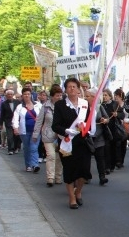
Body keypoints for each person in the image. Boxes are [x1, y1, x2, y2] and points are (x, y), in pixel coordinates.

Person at [52, 77, 93, 209]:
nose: (72, 89)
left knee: (84, 171)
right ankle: (71, 198)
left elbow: (89, 122)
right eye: (69, 87)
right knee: (69, 170)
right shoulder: (60, 105)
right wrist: (66, 131)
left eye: (74, 86)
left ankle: (78, 191)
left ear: (78, 88)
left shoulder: (85, 104)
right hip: (67, 142)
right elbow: (55, 125)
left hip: (82, 141)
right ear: (66, 90)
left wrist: (85, 127)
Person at [36, 84, 63, 188]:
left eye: (61, 95)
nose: (59, 97)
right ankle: (50, 178)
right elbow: (39, 121)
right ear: (52, 96)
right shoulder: (46, 106)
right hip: (48, 134)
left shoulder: (64, 106)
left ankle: (58, 176)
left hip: (60, 135)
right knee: (51, 155)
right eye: (57, 95)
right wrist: (35, 134)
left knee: (60, 157)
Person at [13, 88, 40, 173]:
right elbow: (16, 118)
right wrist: (16, 128)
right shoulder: (20, 107)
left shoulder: (38, 105)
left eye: (28, 94)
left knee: (33, 148)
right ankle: (28, 165)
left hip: (36, 131)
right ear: (22, 96)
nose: (27, 95)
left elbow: (43, 116)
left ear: (31, 95)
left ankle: (35, 165)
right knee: (27, 148)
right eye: (25, 94)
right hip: (24, 131)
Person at [0, 89, 20, 155]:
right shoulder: (4, 104)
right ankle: (10, 149)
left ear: (13, 95)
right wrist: (1, 123)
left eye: (11, 94)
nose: (10, 96)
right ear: (6, 95)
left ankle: (16, 147)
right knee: (9, 136)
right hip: (8, 122)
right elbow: (2, 114)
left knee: (16, 136)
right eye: (8, 94)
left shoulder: (17, 102)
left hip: (16, 122)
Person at [113, 88, 128, 169]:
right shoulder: (114, 105)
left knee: (123, 144)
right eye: (115, 96)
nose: (115, 97)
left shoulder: (126, 104)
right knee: (118, 144)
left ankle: (121, 160)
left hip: (126, 125)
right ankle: (118, 161)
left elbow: (127, 114)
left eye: (117, 96)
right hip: (118, 126)